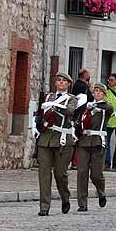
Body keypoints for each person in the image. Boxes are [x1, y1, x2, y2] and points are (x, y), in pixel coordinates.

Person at [32, 72, 78, 216]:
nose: (61, 83)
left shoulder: (72, 99)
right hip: (46, 139)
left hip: (62, 139)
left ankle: (65, 197)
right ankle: (44, 207)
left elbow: (70, 112)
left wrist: (54, 106)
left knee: (60, 174)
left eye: (64, 81)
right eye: (58, 80)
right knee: (44, 174)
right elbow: (41, 114)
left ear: (69, 84)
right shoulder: (48, 97)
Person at [75, 83, 111, 212]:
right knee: (82, 173)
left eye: (100, 91)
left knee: (96, 174)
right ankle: (82, 203)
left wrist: (95, 106)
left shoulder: (105, 107)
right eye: (95, 91)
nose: (97, 93)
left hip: (97, 142)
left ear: (104, 94)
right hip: (84, 141)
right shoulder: (87, 107)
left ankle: (101, 192)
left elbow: (108, 109)